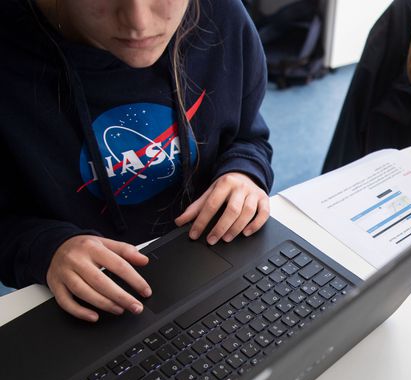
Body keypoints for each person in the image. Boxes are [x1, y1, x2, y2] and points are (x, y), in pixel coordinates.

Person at [0, 0, 273, 322]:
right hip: (90, 300)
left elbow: (247, 135)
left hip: (211, 262)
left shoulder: (221, 15)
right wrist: (46, 249)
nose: (139, 24)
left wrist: (245, 173)